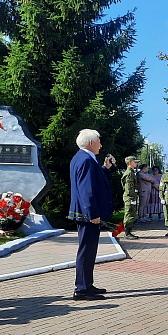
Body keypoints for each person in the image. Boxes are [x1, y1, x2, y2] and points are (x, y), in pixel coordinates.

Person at [68, 129, 116, 300]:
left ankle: (87, 284)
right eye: (99, 141)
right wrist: (92, 213)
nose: (101, 145)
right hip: (86, 213)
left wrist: (105, 168)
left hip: (84, 212)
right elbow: (86, 189)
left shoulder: (83, 158)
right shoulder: (86, 159)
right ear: (90, 142)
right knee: (86, 250)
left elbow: (93, 180)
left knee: (89, 250)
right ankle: (81, 289)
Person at [120, 156, 141, 240]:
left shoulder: (132, 172)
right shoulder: (129, 173)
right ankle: (127, 232)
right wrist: (132, 198)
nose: (136, 163)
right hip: (130, 197)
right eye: (134, 162)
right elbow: (129, 188)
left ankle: (128, 231)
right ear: (129, 163)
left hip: (132, 196)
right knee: (129, 214)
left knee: (132, 214)